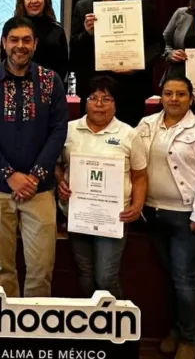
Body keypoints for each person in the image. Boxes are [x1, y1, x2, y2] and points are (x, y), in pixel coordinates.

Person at [0, 17, 68, 298]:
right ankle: (6, 324)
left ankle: (33, 325)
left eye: (26, 40)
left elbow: (58, 131)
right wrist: (9, 175)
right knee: (2, 267)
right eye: (14, 40)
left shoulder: (51, 81)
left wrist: (35, 176)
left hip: (40, 189)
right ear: (4, 43)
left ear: (35, 44)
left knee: (41, 268)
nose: (20, 46)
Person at [134, 76, 195, 359]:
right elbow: (133, 162)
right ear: (160, 97)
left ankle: (188, 339)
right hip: (153, 213)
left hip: (188, 217)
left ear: (190, 98)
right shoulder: (146, 124)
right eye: (168, 93)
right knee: (170, 276)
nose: (174, 99)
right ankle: (174, 329)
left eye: (181, 94)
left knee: (184, 278)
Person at [55, 76, 147, 299]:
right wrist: (60, 182)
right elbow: (56, 165)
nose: (98, 104)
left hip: (113, 217)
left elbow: (140, 176)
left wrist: (137, 205)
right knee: (85, 275)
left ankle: (116, 319)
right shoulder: (68, 130)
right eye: (93, 98)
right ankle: (91, 320)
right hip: (78, 214)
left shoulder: (129, 134)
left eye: (106, 99)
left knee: (106, 277)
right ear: (84, 101)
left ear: (115, 104)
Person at [70, 0, 161, 126]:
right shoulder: (83, 6)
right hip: (93, 87)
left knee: (129, 136)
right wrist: (87, 33)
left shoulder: (142, 3)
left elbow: (157, 45)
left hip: (131, 88)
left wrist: (137, 65)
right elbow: (74, 50)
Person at [14, 0, 68, 81]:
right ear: (22, 1)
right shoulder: (13, 29)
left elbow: (63, 66)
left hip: (50, 86)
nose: (34, 1)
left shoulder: (57, 30)